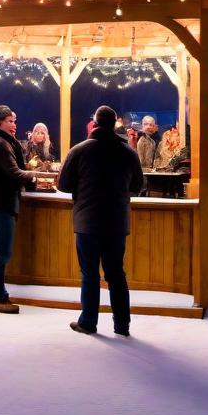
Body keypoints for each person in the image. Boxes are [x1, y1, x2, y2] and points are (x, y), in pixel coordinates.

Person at [58, 105, 144, 336]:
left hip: (87, 221)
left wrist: (84, 185)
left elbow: (62, 185)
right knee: (116, 273)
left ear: (95, 123)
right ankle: (122, 324)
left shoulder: (79, 151)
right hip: (116, 223)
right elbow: (138, 186)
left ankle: (88, 322)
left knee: (89, 273)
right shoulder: (128, 152)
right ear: (115, 124)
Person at [0, 106, 39, 313]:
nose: (15, 125)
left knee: (0, 251)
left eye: (14, 121)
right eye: (11, 121)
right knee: (1, 252)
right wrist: (37, 176)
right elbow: (13, 172)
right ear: (0, 122)